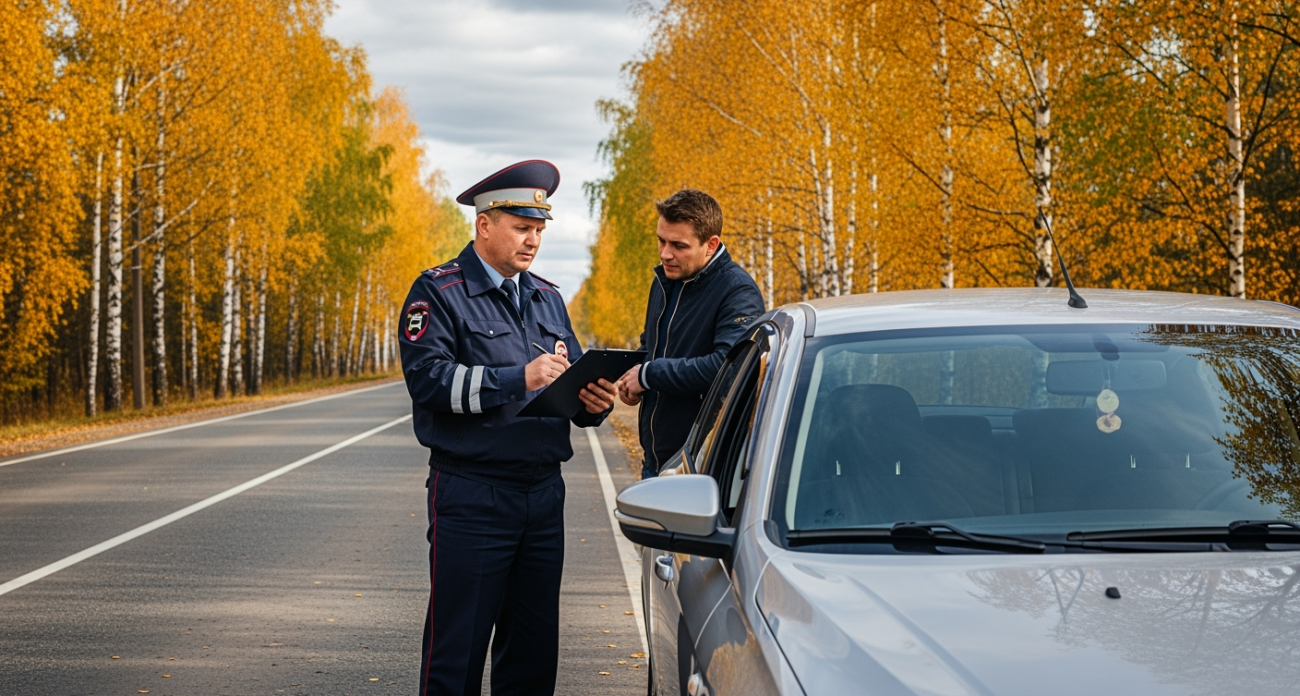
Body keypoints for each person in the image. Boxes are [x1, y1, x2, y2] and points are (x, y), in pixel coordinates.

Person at [398, 160, 617, 696]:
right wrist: (514, 378)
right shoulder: (439, 293)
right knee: (457, 653)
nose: (533, 240)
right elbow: (429, 383)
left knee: (533, 655)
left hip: (543, 494)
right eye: (522, 227)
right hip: (473, 493)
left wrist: (594, 402)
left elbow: (568, 384)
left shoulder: (546, 297)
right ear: (484, 225)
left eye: (539, 229)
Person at [615, 188, 765, 480]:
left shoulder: (737, 291)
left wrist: (649, 375)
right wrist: (634, 380)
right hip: (656, 461)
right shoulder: (665, 280)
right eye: (661, 240)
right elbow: (651, 347)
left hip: (704, 469)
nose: (665, 253)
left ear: (711, 245)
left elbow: (729, 368)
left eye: (678, 245)